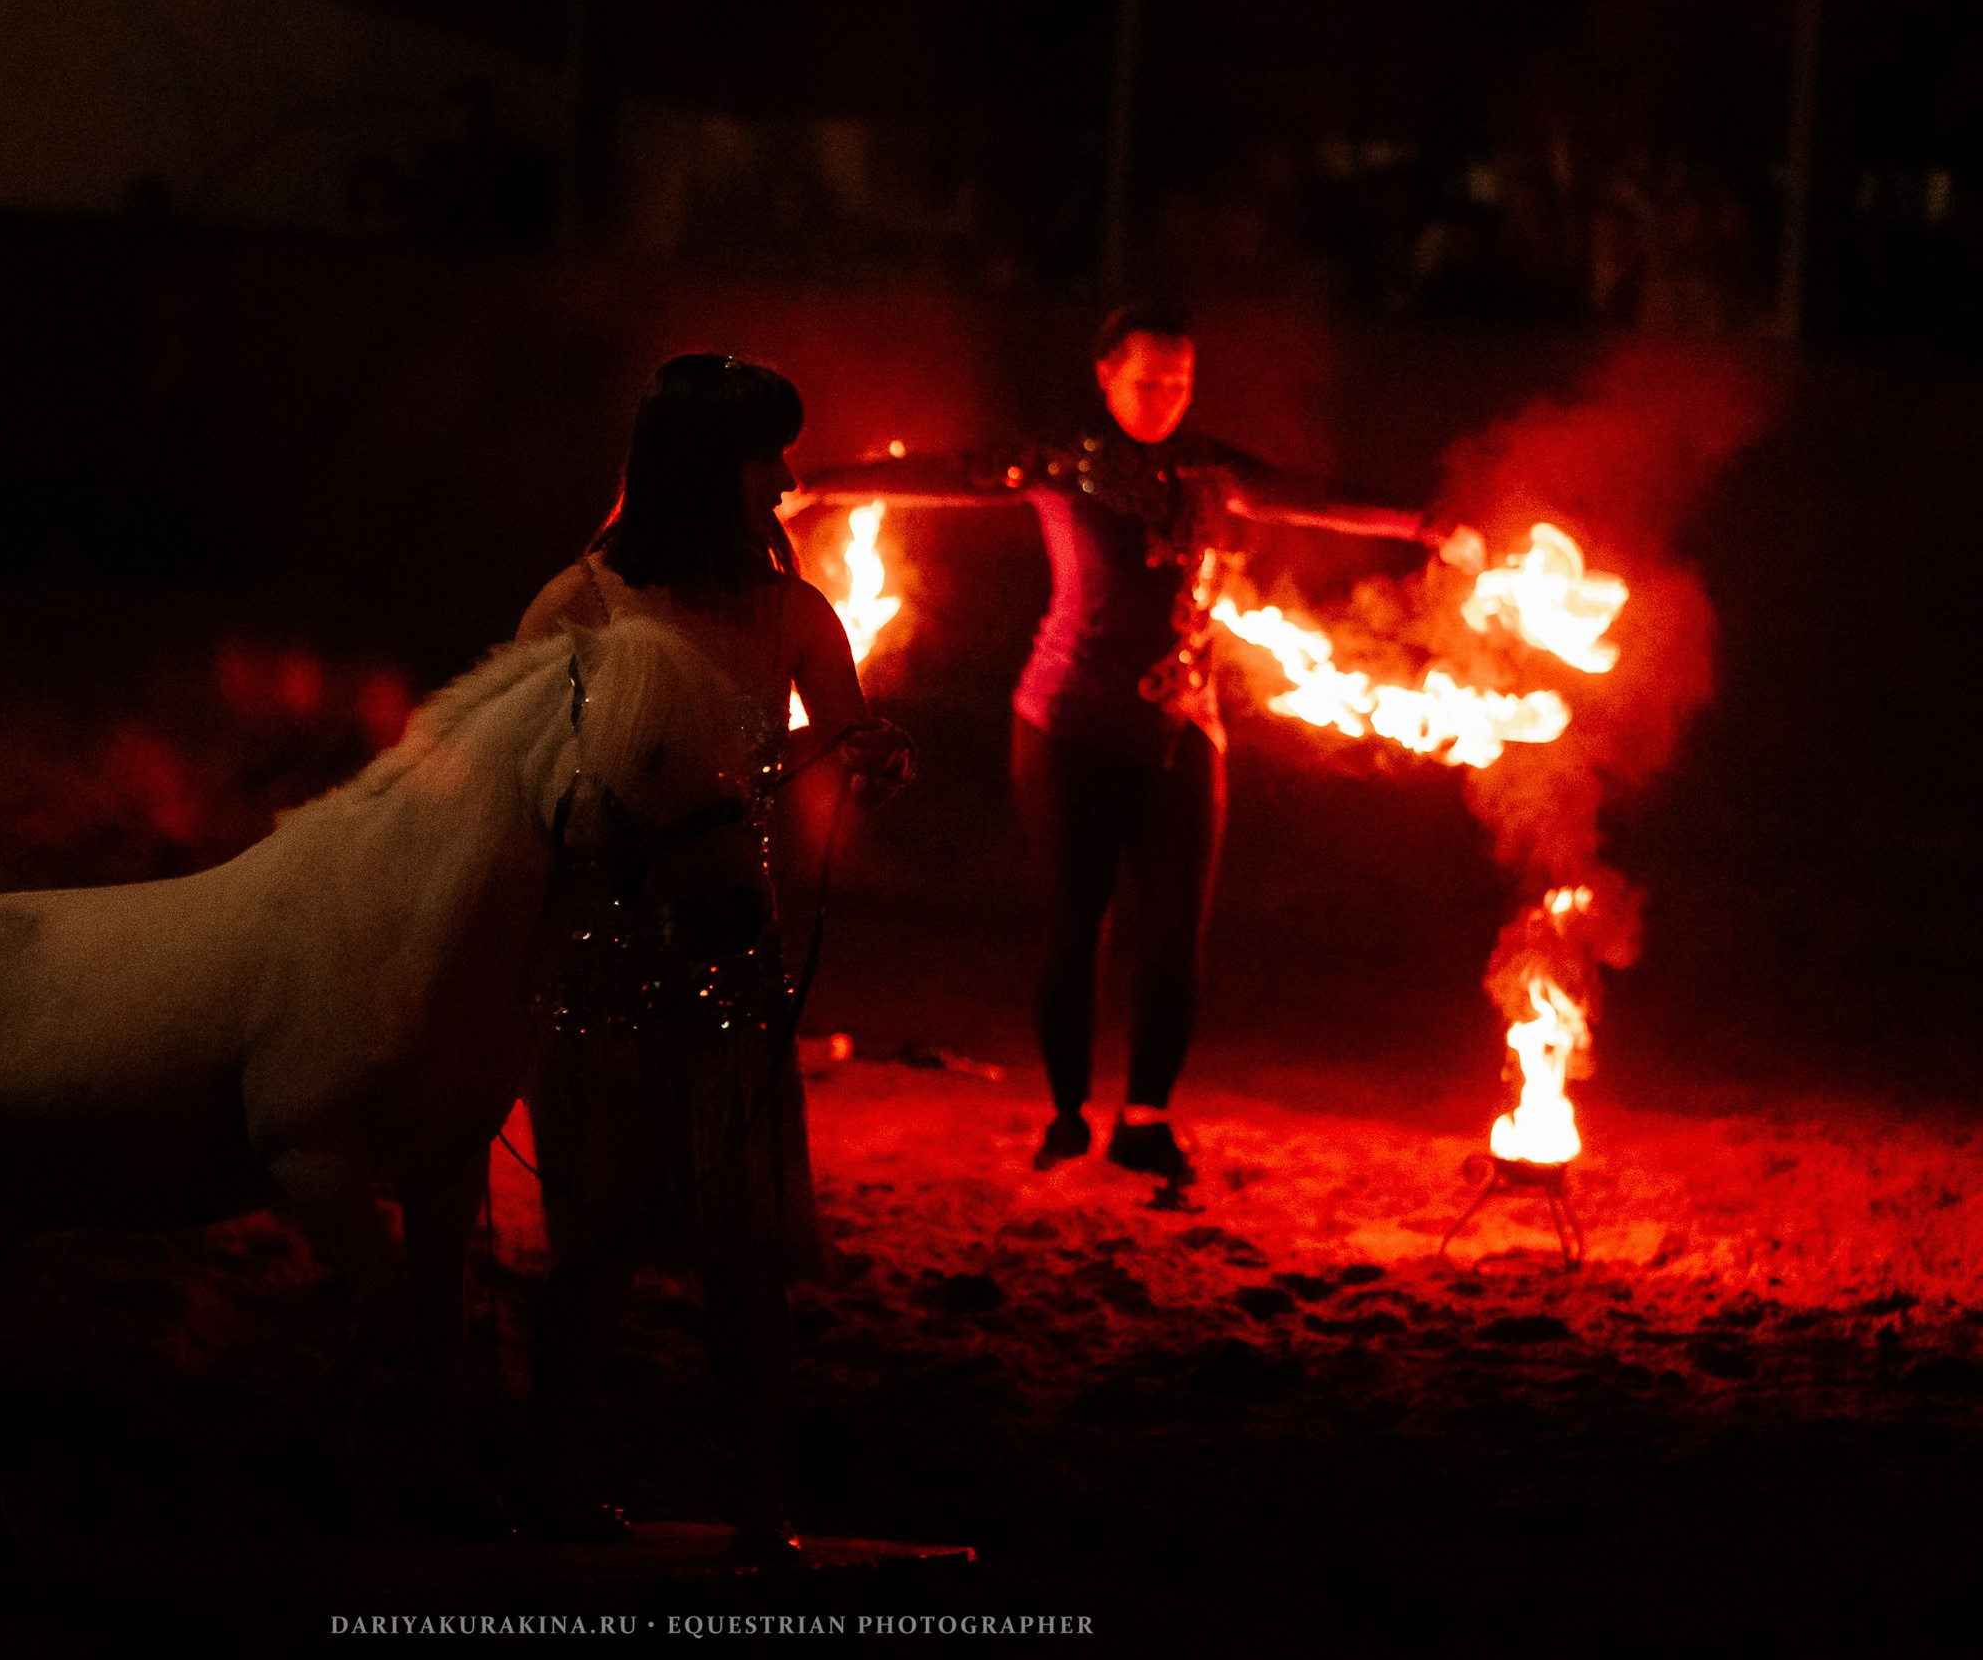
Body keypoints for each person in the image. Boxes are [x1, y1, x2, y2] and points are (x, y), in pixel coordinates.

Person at [814, 305, 1446, 1204]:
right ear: (1105, 373)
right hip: (1066, 724)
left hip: (1184, 728)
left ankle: (1145, 1120)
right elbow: (946, 475)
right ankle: (1067, 1112)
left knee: (1177, 930)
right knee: (1077, 922)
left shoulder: (1208, 467)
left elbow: (1313, 496)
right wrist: (821, 482)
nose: (1164, 400)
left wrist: (1426, 525)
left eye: (1180, 383)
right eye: (1147, 382)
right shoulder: (1061, 464)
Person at [514, 353, 913, 1563]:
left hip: (731, 957)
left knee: (745, 1250)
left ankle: (758, 1500)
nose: (789, 481)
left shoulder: (793, 612)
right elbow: (509, 772)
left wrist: (872, 752)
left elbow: (842, 722)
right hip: (593, 960)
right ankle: (552, 1478)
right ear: (701, 470)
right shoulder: (576, 609)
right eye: (765, 457)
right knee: (596, 1246)